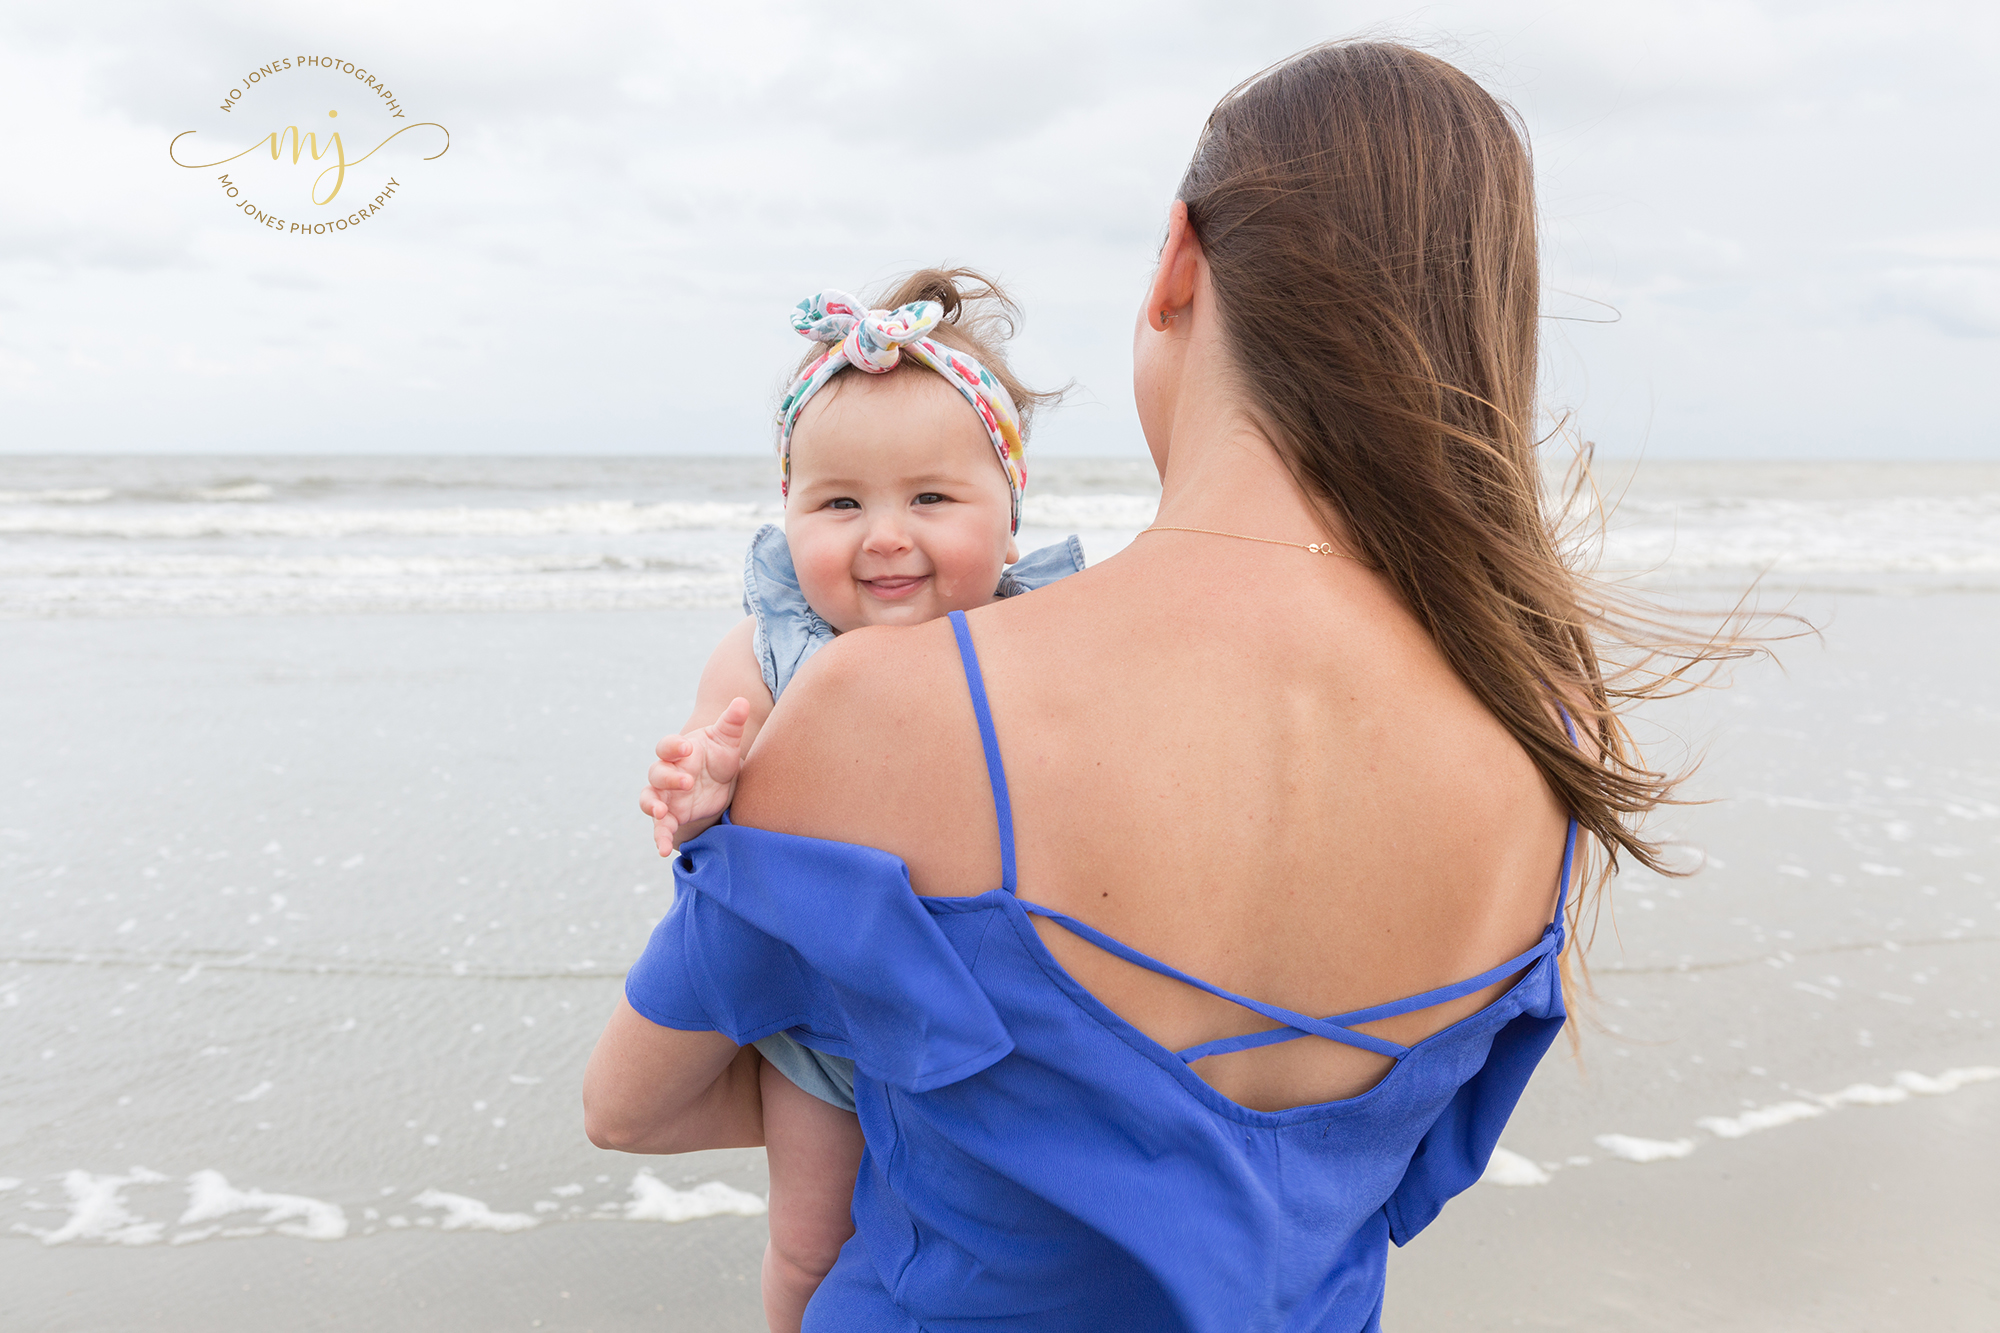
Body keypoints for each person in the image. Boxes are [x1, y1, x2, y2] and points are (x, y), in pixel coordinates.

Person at [588, 39, 1714, 1330]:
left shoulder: (884, 703)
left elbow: (631, 1105)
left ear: (1178, 262)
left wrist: (911, 1071)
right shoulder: (1548, 735)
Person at [639, 270, 1079, 1331]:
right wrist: (700, 790)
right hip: (820, 1025)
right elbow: (704, 791)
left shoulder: (1042, 645)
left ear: (1009, 521)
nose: (883, 534)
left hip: (993, 1021)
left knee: (987, 1241)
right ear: (788, 518)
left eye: (930, 499)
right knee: (809, 1240)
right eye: (839, 503)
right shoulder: (766, 652)